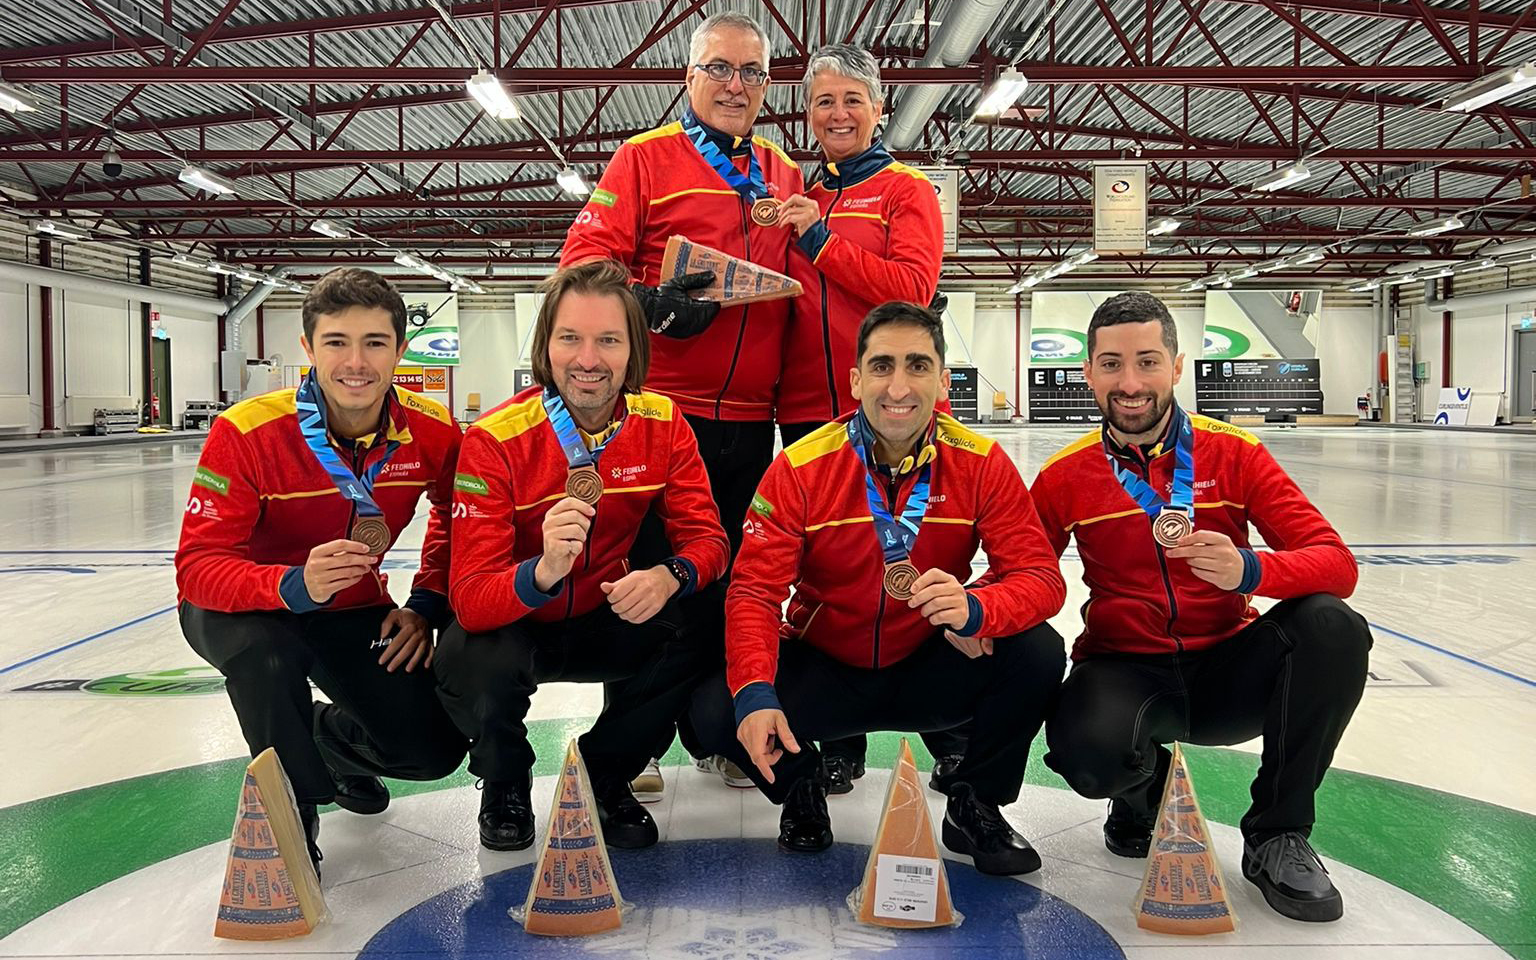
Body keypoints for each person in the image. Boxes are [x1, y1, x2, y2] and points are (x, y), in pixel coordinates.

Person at [690, 301, 1067, 876]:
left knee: (1036, 649)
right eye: (883, 365)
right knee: (715, 708)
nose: (899, 385)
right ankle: (800, 785)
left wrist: (978, 609)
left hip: (926, 662)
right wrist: (758, 694)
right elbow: (754, 593)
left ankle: (975, 803)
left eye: (918, 365)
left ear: (943, 379)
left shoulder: (983, 463)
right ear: (856, 379)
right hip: (826, 667)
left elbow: (1040, 578)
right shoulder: (800, 467)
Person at [1031, 291, 1371, 922]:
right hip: (1126, 667)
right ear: (1087, 372)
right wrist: (974, 610)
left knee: (1331, 625)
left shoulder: (1234, 453)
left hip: (1228, 668)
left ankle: (1278, 834)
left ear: (1177, 367)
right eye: (1111, 364)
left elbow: (1336, 563)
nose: (1130, 383)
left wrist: (1252, 568)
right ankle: (1141, 793)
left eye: (1147, 361)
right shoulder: (1065, 475)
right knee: (1086, 751)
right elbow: (1025, 572)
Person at [561, 10, 804, 797]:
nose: (736, 85)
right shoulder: (644, 159)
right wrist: (649, 301)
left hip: (751, 421)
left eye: (752, 73)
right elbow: (580, 269)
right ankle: (628, 749)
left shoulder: (784, 173)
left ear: (767, 85)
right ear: (689, 78)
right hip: (663, 415)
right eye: (719, 69)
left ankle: (716, 733)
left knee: (728, 585)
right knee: (648, 584)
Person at [175, 267, 468, 875]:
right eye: (337, 342)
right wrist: (288, 584)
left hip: (351, 607)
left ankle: (324, 746)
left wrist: (425, 603)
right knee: (269, 660)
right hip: (245, 607)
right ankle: (293, 811)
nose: (355, 362)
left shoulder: (433, 431)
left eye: (374, 343)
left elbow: (457, 518)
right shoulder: (247, 432)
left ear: (401, 350)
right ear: (308, 349)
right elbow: (199, 567)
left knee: (431, 751)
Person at [434, 259, 730, 853]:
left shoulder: (663, 423)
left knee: (707, 620)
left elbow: (711, 541)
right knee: (469, 656)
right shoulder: (495, 438)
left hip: (605, 616)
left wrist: (671, 576)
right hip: (518, 623)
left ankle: (606, 771)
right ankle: (505, 779)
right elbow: (468, 598)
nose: (589, 359)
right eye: (570, 337)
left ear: (633, 350)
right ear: (546, 345)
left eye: (608, 340)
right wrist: (540, 572)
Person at [771, 43, 956, 793]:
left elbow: (910, 286)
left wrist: (818, 240)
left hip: (893, 410)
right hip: (806, 412)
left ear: (879, 108)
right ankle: (842, 733)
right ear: (808, 115)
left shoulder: (907, 191)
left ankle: (948, 724)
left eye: (852, 98)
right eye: (823, 101)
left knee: (911, 556)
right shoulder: (802, 193)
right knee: (829, 574)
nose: (838, 113)